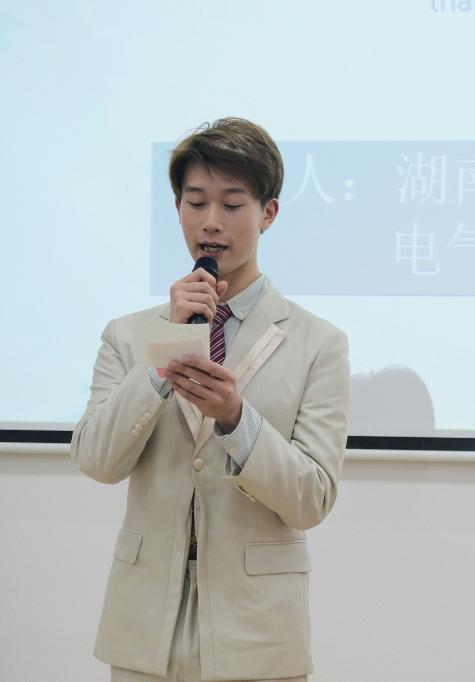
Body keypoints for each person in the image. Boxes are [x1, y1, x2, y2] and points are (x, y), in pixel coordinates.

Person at [71, 118, 350, 682]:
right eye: (196, 202)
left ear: (268, 213)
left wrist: (237, 420)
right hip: (145, 630)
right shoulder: (126, 335)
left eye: (232, 203)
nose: (211, 222)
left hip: (258, 635)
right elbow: (97, 460)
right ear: (177, 208)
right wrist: (163, 352)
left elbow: (312, 499)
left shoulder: (317, 343)